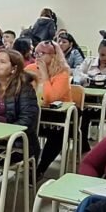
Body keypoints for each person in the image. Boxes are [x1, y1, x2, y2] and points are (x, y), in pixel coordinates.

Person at [25, 41, 71, 176]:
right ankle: (29, 163)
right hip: (37, 111)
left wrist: (45, 75)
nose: (37, 56)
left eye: (42, 53)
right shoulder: (30, 69)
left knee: (59, 134)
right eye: (36, 52)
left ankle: (40, 168)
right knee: (26, 126)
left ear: (54, 55)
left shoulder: (62, 73)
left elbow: (51, 98)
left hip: (58, 115)